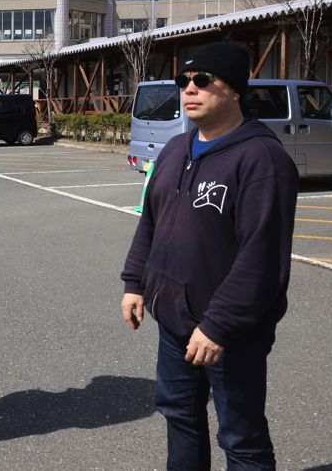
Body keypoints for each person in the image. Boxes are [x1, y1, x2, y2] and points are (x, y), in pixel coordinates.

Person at [120, 42, 298, 470]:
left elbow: (261, 257)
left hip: (232, 332)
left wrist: (218, 326)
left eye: (203, 80)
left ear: (234, 90)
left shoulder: (262, 159)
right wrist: (134, 283)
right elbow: (151, 221)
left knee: (241, 437)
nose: (189, 89)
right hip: (174, 321)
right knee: (179, 416)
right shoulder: (175, 149)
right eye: (183, 81)